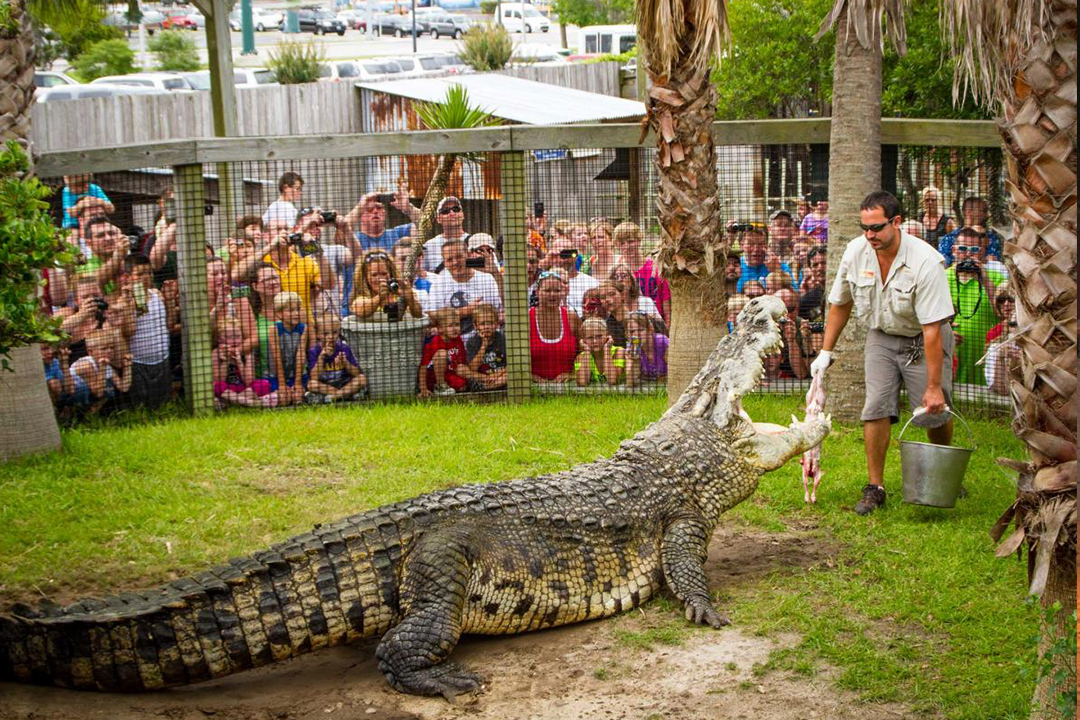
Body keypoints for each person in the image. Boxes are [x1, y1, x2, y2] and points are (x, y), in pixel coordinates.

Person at [812, 190, 956, 516]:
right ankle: (875, 487)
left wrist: (933, 386)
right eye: (864, 227)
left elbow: (933, 329)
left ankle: (943, 466)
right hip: (881, 335)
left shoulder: (926, 261)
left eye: (876, 228)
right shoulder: (856, 251)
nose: (869, 235)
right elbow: (841, 303)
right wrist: (825, 351)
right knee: (875, 406)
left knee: (934, 409)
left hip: (923, 338)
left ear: (896, 222)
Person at [946, 226, 1004, 385]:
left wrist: (985, 279)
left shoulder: (996, 278)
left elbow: (1002, 315)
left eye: (974, 249)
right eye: (963, 248)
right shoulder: (942, 277)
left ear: (982, 251)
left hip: (982, 357)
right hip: (952, 357)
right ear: (953, 250)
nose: (968, 253)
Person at [117, 255, 172, 409]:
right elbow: (129, 331)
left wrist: (169, 300)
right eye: (140, 274)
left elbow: (169, 324)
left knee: (162, 403)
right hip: (138, 362)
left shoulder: (156, 294)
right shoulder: (123, 301)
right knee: (140, 405)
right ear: (127, 277)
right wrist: (128, 305)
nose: (146, 277)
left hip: (162, 357)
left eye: (148, 273)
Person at [425, 238, 502, 334]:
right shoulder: (439, 283)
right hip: (451, 343)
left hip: (481, 337)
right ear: (444, 263)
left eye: (459, 257)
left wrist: (495, 273)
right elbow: (432, 317)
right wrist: (466, 310)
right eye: (449, 260)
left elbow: (495, 312)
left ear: (468, 255)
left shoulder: (486, 278)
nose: (455, 262)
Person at [212, 319, 277, 408]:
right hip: (227, 389)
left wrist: (239, 362)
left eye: (238, 336)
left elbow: (249, 381)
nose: (234, 340)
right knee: (215, 386)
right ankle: (249, 403)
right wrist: (226, 361)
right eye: (229, 337)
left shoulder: (247, 353)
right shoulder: (216, 353)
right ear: (219, 339)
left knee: (263, 384)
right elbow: (218, 379)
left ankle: (231, 402)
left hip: (244, 389)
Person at [614, 222, 670, 323]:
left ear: (639, 240)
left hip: (656, 324)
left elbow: (665, 301)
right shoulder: (617, 272)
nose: (627, 247)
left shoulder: (655, 268)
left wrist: (667, 326)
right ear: (617, 245)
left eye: (631, 241)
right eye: (622, 243)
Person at [529, 270, 580, 383]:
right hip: (533, 388)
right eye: (547, 290)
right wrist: (531, 377)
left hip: (568, 388)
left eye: (557, 290)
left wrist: (572, 374)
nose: (552, 294)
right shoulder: (526, 319)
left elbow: (584, 353)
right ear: (537, 292)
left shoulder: (571, 317)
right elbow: (514, 359)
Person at [343, 181, 421, 253]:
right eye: (370, 209)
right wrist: (359, 208)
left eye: (379, 208)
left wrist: (408, 208)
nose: (375, 211)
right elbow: (340, 232)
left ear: (384, 213)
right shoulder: (353, 239)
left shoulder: (398, 233)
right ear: (360, 215)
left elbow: (423, 224)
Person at [418, 307, 481, 397]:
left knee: (462, 386)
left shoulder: (458, 339)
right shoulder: (435, 342)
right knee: (442, 354)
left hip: (451, 373)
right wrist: (423, 388)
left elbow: (462, 360)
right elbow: (423, 366)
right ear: (440, 329)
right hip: (434, 377)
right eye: (450, 326)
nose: (455, 328)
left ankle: (478, 382)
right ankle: (440, 386)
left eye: (457, 325)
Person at [305, 312, 367, 403]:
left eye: (334, 332)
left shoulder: (344, 347)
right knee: (311, 384)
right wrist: (321, 358)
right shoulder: (314, 351)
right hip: (325, 386)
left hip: (343, 383)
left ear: (339, 332)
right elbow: (314, 377)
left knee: (362, 378)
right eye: (325, 334)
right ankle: (343, 395)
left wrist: (345, 363)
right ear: (317, 334)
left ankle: (333, 397)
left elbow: (357, 373)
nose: (330, 337)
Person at [349, 249, 424, 321]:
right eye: (374, 275)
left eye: (384, 273)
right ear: (365, 277)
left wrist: (410, 298)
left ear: (391, 273)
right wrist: (379, 297)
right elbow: (361, 311)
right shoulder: (361, 298)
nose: (380, 279)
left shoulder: (401, 291)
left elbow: (418, 315)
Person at [69, 329, 131, 413]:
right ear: (91, 352)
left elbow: (124, 387)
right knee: (104, 389)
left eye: (111, 347)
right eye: (104, 349)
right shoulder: (86, 365)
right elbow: (98, 393)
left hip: (90, 396)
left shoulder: (107, 365)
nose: (109, 351)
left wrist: (127, 367)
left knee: (109, 390)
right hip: (72, 397)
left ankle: (90, 417)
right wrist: (102, 369)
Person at [937, 195, 1003, 266]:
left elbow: (994, 263)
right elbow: (943, 264)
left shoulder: (992, 238)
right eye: (984, 211)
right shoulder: (948, 239)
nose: (987, 215)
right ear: (969, 212)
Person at [269, 291, 309, 406]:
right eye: (290, 310)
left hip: (297, 374)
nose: (296, 313)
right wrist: (282, 384)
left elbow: (301, 355)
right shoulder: (274, 329)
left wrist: (297, 383)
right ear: (280, 314)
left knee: (297, 398)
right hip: (277, 375)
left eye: (297, 309)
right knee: (284, 399)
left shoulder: (303, 328)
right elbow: (276, 357)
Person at [544, 235, 597, 315]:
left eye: (568, 254)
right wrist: (545, 262)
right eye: (560, 254)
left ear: (575, 256)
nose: (564, 259)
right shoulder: (543, 283)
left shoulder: (591, 283)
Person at [575, 317, 630, 387]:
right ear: (584, 339)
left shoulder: (618, 352)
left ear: (607, 334)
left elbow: (612, 380)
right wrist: (587, 351)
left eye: (599, 336)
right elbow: (582, 382)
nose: (595, 341)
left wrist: (607, 349)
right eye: (590, 337)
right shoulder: (581, 357)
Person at [736, 224, 791, 293]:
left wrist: (777, 271)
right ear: (741, 245)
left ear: (767, 245)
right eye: (751, 244)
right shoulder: (735, 266)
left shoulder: (780, 266)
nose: (756, 249)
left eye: (761, 244)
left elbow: (794, 298)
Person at [465, 303, 507, 390]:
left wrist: (497, 375)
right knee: (467, 374)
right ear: (476, 326)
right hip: (482, 378)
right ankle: (488, 386)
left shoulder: (503, 339)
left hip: (500, 376)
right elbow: (472, 368)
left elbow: (511, 364)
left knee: (511, 375)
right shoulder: (472, 342)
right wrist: (483, 346)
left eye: (490, 323)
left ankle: (487, 387)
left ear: (496, 324)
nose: (487, 327)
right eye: (483, 324)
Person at [422, 196, 468, 272]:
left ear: (462, 214)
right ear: (438, 219)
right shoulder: (429, 246)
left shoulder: (474, 240)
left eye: (456, 209)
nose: (452, 213)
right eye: (445, 211)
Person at [627, 312, 668, 382]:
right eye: (632, 331)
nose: (636, 335)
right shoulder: (631, 349)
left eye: (640, 330)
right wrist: (635, 362)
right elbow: (630, 383)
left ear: (650, 330)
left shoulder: (662, 342)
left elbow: (676, 373)